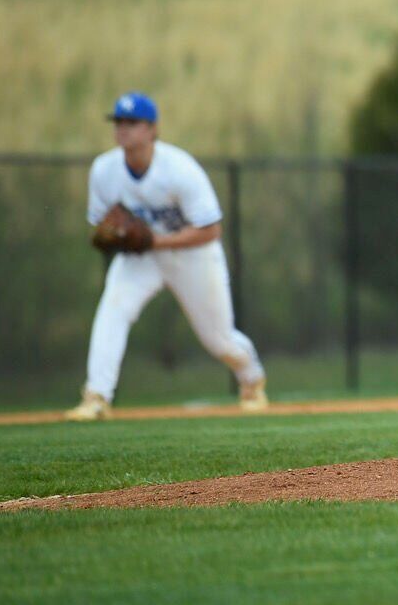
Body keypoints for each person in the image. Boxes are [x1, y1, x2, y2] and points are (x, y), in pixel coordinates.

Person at [65, 92, 267, 420]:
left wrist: (155, 241)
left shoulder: (179, 169)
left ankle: (252, 378)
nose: (123, 129)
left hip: (194, 256)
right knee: (112, 311)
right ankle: (97, 396)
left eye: (132, 122)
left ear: (152, 129)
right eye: (118, 122)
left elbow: (211, 229)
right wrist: (112, 235)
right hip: (140, 259)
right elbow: (100, 225)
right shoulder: (104, 170)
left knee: (219, 340)